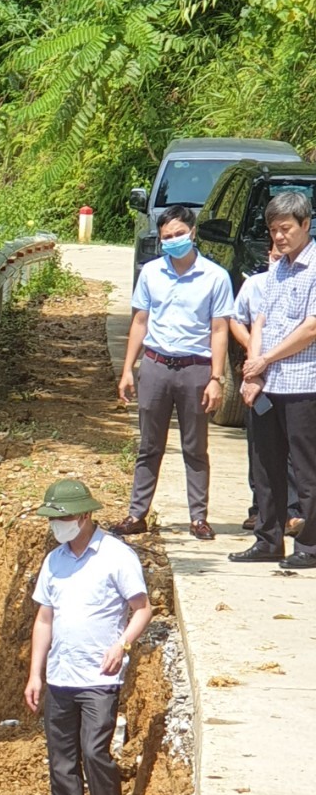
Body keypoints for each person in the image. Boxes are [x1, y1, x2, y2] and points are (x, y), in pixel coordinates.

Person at [24, 480, 152, 795]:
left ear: (84, 515)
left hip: (99, 679)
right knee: (61, 758)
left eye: (62, 517)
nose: (57, 525)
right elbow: (44, 618)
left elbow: (142, 608)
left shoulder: (116, 556)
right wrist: (36, 673)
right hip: (61, 677)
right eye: (53, 519)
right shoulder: (55, 561)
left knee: (95, 753)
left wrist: (122, 645)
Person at [112, 204, 234, 542]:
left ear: (193, 233)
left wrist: (216, 377)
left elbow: (220, 329)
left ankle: (198, 517)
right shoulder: (151, 273)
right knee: (149, 444)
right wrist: (128, 370)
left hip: (195, 369)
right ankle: (137, 514)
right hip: (156, 366)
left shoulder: (215, 277)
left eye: (179, 234)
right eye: (167, 237)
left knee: (195, 447)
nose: (174, 241)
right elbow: (140, 321)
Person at [232, 191, 316, 568]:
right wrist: (254, 370)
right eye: (273, 230)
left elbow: (311, 328)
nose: (279, 237)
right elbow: (260, 321)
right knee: (264, 465)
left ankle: (310, 547)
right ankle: (267, 539)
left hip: (304, 384)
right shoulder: (278, 269)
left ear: (306, 225)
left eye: (286, 228)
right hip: (270, 384)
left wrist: (266, 358)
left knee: (306, 470)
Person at [232, 249, 302, 536]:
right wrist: (255, 355)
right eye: (275, 255)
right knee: (259, 448)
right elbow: (239, 321)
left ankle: (293, 513)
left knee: (295, 452)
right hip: (259, 379)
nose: (279, 260)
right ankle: (259, 510)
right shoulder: (256, 284)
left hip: (294, 381)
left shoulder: (305, 285)